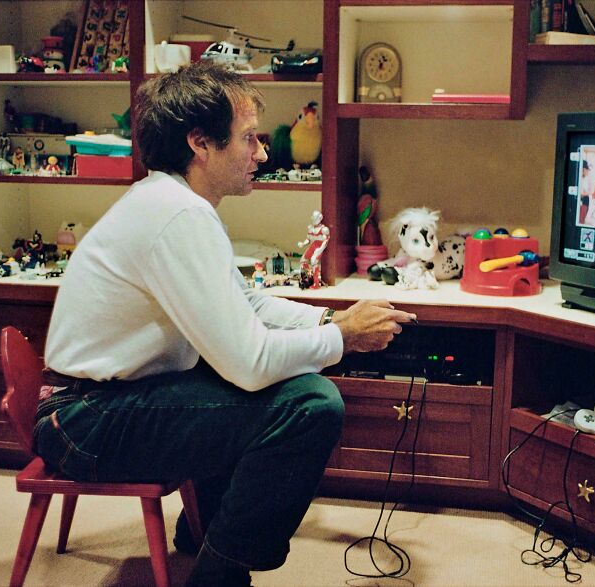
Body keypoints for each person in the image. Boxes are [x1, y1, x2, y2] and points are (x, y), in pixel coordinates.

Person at [37, 60, 415, 587]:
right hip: (83, 421)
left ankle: (203, 536)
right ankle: (218, 575)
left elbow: (249, 303)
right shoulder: (178, 214)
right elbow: (251, 364)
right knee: (309, 405)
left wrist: (332, 318)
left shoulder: (171, 201)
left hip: (95, 404)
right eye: (248, 138)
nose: (262, 153)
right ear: (200, 143)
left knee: (252, 385)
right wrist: (343, 338)